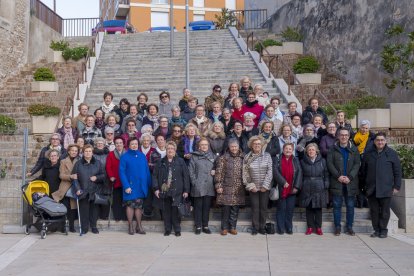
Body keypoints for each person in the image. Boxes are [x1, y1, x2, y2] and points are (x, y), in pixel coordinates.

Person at [361, 132, 402, 238]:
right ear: (374, 141)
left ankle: (383, 230)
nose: (380, 142)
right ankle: (376, 230)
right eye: (378, 140)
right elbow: (363, 172)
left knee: (384, 211)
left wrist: (397, 186)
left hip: (386, 188)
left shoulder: (392, 153)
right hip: (372, 188)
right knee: (374, 211)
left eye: (382, 140)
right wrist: (362, 186)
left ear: (385, 141)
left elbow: (397, 171)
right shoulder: (368, 154)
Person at [327, 129, 361, 236]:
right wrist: (338, 176)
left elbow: (357, 164)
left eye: (346, 135)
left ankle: (349, 227)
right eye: (342, 135)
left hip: (350, 182)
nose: (344, 137)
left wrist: (350, 177)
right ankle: (337, 227)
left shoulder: (354, 149)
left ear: (349, 136)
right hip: (337, 182)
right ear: (338, 136)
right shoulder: (333, 149)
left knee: (350, 206)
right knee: (337, 206)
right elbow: (330, 164)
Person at [153, 141, 190, 237]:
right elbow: (155, 176)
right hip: (164, 191)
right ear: (166, 149)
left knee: (176, 211)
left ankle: (177, 229)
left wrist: (186, 190)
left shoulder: (180, 161)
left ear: (175, 150)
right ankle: (168, 229)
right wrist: (156, 188)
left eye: (172, 149)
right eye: (168, 148)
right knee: (166, 211)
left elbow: (185, 176)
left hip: (177, 190)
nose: (170, 150)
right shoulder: (160, 162)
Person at [119, 137, 152, 235]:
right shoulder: (125, 157)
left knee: (139, 206)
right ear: (128, 145)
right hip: (130, 186)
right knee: (130, 205)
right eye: (132, 144)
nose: (134, 145)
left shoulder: (142, 156)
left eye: (136, 144)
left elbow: (146, 171)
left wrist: (149, 184)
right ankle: (130, 226)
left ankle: (139, 226)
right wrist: (126, 186)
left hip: (141, 186)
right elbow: (121, 172)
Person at [72, 144, 105, 234]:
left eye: (89, 151)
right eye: (86, 151)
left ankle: (94, 226)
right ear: (83, 152)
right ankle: (84, 228)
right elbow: (75, 179)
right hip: (83, 190)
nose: (88, 153)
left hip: (95, 190)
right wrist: (77, 189)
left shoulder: (98, 163)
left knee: (94, 210)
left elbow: (103, 175)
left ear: (92, 152)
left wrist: (96, 178)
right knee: (84, 210)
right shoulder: (78, 164)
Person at [243, 136, 273, 235]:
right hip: (254, 187)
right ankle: (255, 227)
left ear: (262, 145)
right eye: (255, 144)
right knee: (255, 208)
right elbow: (245, 173)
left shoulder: (267, 156)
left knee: (263, 208)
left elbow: (270, 171)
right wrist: (251, 186)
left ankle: (262, 227)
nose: (257, 145)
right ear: (251, 145)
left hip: (265, 187)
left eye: (259, 144)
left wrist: (265, 185)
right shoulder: (247, 157)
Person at [215, 138, 245, 235]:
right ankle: (224, 228)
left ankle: (233, 227)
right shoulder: (223, 158)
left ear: (238, 147)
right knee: (226, 209)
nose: (234, 148)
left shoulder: (243, 157)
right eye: (232, 146)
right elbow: (219, 172)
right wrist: (218, 185)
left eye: (235, 146)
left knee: (235, 209)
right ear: (229, 147)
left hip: (238, 188)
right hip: (226, 186)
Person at [300, 143, 329, 235]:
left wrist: (326, 183)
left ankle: (318, 227)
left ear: (316, 151)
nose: (311, 151)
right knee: (309, 208)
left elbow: (326, 173)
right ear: (306, 151)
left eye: (313, 149)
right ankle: (310, 227)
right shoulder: (302, 161)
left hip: (319, 185)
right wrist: (301, 185)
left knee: (318, 208)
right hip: (307, 185)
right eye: (309, 150)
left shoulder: (322, 161)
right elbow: (300, 175)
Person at [189, 138, 216, 234]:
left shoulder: (213, 156)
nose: (204, 146)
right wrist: (195, 183)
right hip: (198, 185)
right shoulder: (194, 156)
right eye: (202, 145)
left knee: (206, 207)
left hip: (209, 185)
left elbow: (218, 168)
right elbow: (191, 171)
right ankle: (198, 226)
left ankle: (205, 226)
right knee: (198, 207)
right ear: (199, 146)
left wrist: (215, 172)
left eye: (206, 145)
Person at [273, 143, 302, 235]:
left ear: (292, 150)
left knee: (290, 209)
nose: (288, 150)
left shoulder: (295, 160)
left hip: (292, 189)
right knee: (281, 208)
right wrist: (283, 182)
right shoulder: (277, 159)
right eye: (286, 149)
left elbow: (299, 173)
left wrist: (296, 186)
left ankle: (289, 227)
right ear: (283, 149)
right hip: (282, 188)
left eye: (290, 149)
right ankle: (280, 228)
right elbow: (275, 171)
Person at [52, 144, 80, 232]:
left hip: (75, 187)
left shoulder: (79, 161)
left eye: (76, 151)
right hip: (65, 188)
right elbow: (61, 175)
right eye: (72, 150)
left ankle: (71, 227)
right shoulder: (63, 161)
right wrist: (70, 176)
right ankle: (63, 227)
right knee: (64, 208)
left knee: (72, 209)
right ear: (68, 151)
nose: (74, 152)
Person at [354, 120, 375, 208]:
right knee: (358, 181)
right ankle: (360, 202)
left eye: (366, 128)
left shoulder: (372, 137)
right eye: (363, 127)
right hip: (356, 159)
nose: (364, 130)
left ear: (369, 129)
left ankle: (366, 202)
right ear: (360, 127)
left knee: (366, 181)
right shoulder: (354, 136)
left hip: (367, 162)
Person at [105, 137, 127, 221]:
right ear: (115, 144)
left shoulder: (127, 153)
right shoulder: (111, 154)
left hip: (126, 181)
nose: (119, 144)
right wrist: (111, 176)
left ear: (123, 144)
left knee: (125, 199)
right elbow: (108, 167)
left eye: (120, 143)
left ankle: (125, 216)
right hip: (116, 180)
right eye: (117, 143)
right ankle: (117, 216)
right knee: (117, 200)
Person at [93, 137, 111, 220]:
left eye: (101, 143)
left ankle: (104, 216)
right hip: (95, 179)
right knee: (95, 197)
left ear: (104, 145)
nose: (100, 144)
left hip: (106, 179)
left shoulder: (108, 154)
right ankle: (95, 216)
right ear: (96, 144)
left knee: (105, 197)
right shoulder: (92, 154)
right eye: (98, 143)